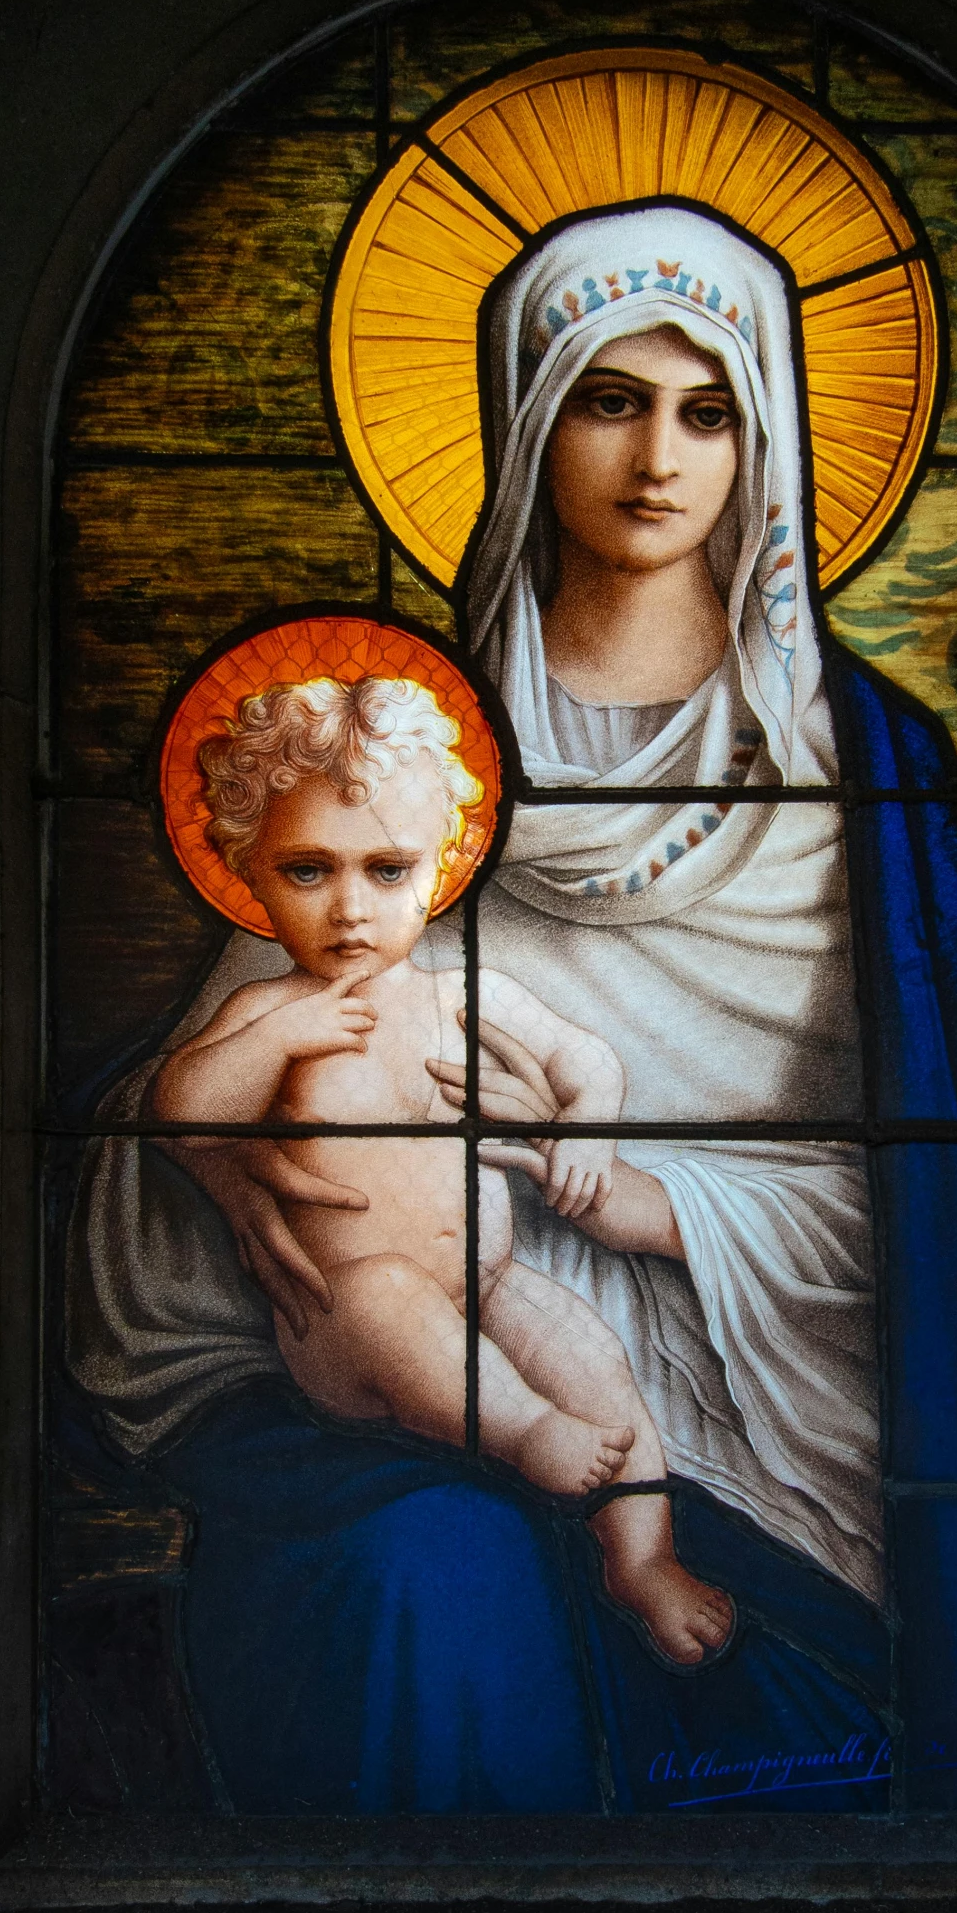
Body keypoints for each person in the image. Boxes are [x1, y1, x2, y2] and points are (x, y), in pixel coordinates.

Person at [67, 202, 957, 1816]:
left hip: (785, 1392)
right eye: (606, 396)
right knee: (422, 1573)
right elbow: (215, 1114)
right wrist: (230, 1168)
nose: (658, 455)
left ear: (763, 439)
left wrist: (663, 1201)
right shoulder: (388, 748)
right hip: (419, 1363)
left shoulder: (861, 764)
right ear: (526, 417)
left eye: (706, 409)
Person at [152, 669, 735, 1665]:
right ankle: (520, 1436)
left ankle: (639, 1556)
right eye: (307, 870)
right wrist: (285, 1027)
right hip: (349, 1329)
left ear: (443, 863)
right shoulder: (266, 1016)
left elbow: (584, 1059)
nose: (348, 909)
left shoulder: (463, 994)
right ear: (249, 867)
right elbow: (180, 1110)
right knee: (383, 1291)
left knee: (592, 1354)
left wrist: (585, 1123)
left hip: (486, 1286)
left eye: (385, 870)